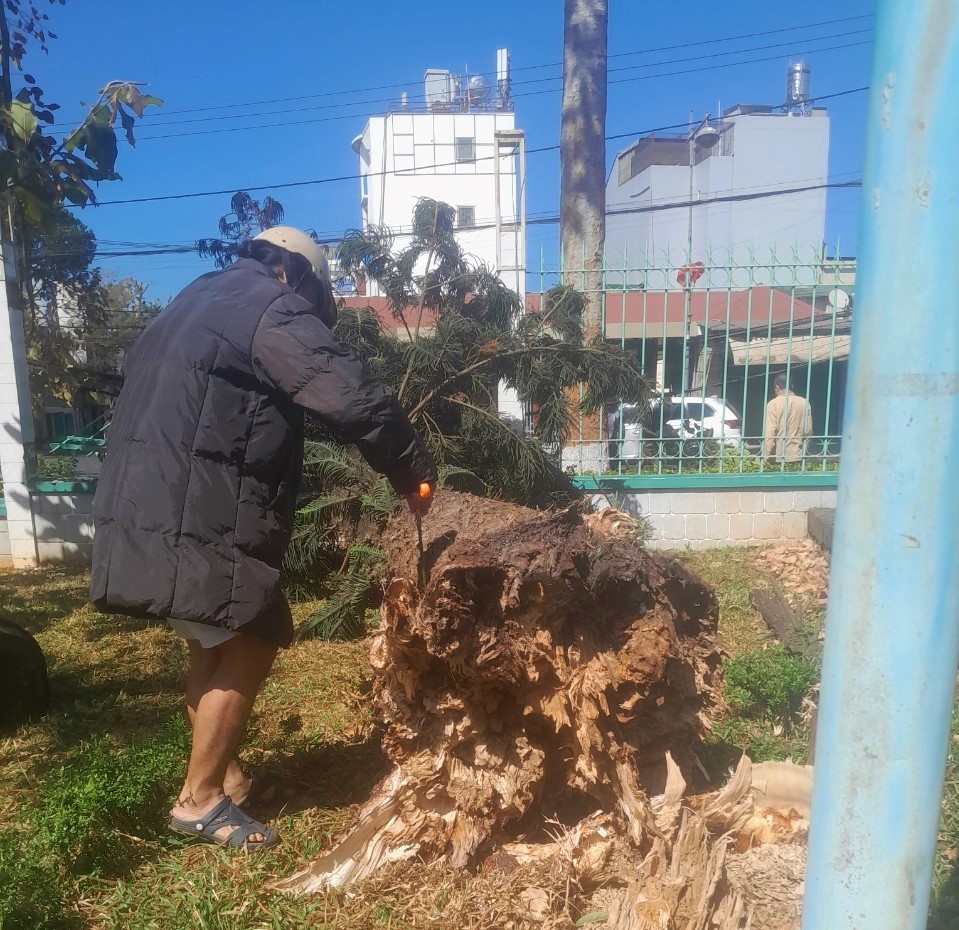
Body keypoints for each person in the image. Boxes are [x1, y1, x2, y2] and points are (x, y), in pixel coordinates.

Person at [90, 227, 435, 850]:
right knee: (256, 636)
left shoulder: (195, 298)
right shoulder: (271, 307)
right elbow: (345, 393)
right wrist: (411, 470)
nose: (314, 316)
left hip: (145, 497)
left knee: (208, 641)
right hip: (197, 504)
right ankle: (198, 803)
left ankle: (229, 779)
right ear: (295, 275)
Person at [764, 373, 813, 464]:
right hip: (797, 455)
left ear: (777, 388)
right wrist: (804, 452)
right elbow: (809, 431)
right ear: (792, 386)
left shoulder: (773, 404)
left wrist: (766, 455)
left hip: (778, 456)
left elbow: (770, 432)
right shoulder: (804, 403)